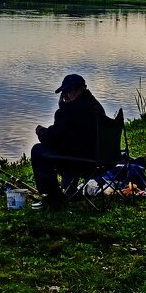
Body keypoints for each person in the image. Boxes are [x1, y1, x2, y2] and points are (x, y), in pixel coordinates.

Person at [31, 73, 106, 208]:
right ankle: (70, 190)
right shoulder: (96, 106)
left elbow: (51, 138)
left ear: (82, 89)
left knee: (38, 150)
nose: (65, 95)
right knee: (67, 148)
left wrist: (41, 131)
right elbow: (66, 134)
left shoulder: (72, 110)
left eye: (69, 91)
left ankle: (53, 196)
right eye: (63, 92)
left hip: (83, 162)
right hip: (101, 160)